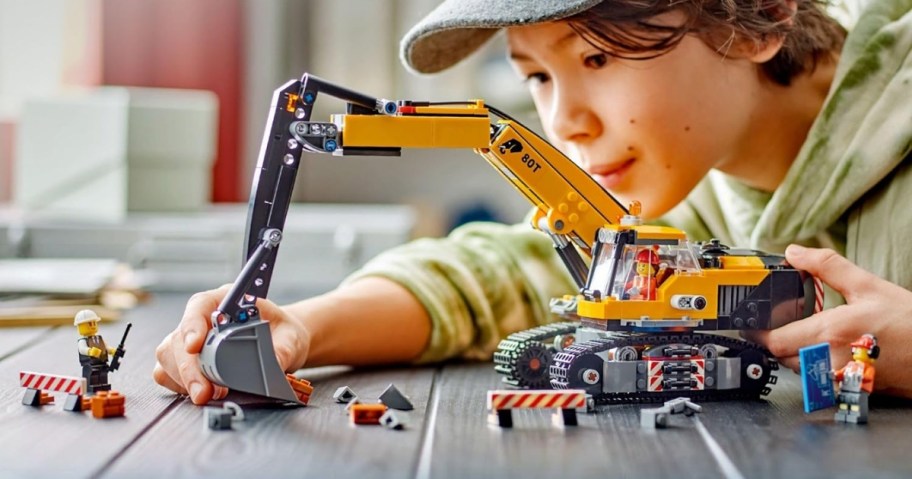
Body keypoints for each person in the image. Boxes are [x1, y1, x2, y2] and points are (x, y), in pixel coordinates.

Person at [154, 0, 912, 404]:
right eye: (537, 77)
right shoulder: (691, 191)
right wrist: (301, 330)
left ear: (760, 15)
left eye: (596, 57)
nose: (564, 123)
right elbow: (501, 272)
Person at [832, 333, 879, 424]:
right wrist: (834, 374)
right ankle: (843, 413)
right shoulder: (851, 365)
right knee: (844, 402)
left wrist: (859, 377)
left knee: (856, 404)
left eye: (860, 349)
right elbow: (841, 373)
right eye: (856, 348)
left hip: (859, 390)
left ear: (870, 352)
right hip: (846, 388)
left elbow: (868, 378)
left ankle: (856, 415)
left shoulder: (868, 368)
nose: (856, 351)